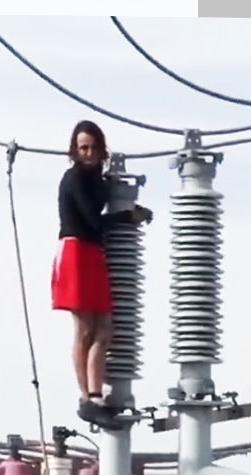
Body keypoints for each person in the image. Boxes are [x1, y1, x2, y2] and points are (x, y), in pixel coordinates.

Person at [52, 120, 153, 430]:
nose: (89, 153)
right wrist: (127, 216)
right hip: (75, 250)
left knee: (104, 326)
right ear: (75, 151)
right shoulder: (74, 179)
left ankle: (95, 395)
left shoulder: (99, 181)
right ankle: (86, 396)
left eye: (93, 147)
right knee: (84, 327)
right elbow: (91, 220)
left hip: (92, 252)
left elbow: (97, 220)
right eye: (83, 148)